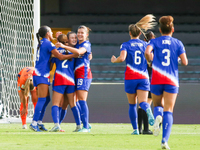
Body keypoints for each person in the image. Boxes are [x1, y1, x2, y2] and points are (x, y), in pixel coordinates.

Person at [145, 16, 188, 149]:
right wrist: (178, 61)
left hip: (156, 79)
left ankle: (158, 116)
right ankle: (164, 140)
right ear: (172, 29)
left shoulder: (154, 41)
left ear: (160, 29)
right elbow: (185, 62)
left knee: (158, 104)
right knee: (168, 110)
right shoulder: (178, 43)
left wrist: (150, 61)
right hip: (171, 80)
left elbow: (147, 52)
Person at [111, 14, 156, 135]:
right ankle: (148, 111)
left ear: (130, 33)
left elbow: (122, 58)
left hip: (130, 77)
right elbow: (151, 57)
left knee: (132, 104)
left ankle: (136, 130)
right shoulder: (145, 45)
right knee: (143, 102)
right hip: (143, 77)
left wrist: (114, 60)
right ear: (140, 34)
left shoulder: (125, 44)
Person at [30, 26, 80, 132]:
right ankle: (34, 123)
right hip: (41, 74)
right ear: (48, 33)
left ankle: (39, 122)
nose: (52, 33)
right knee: (42, 99)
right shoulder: (48, 44)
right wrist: (73, 55)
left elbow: (53, 55)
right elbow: (60, 57)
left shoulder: (43, 42)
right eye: (51, 32)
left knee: (47, 99)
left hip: (40, 73)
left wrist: (58, 40)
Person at [55, 25, 92, 132]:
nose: (79, 34)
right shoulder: (77, 44)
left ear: (86, 35)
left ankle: (85, 126)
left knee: (81, 100)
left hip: (83, 74)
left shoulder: (86, 44)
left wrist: (64, 46)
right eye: (78, 32)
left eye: (82, 33)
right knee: (73, 102)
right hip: (74, 75)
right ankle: (84, 123)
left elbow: (80, 52)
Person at [49, 32, 81, 132]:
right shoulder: (73, 52)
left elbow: (50, 67)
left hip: (59, 79)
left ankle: (57, 125)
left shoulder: (55, 51)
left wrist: (51, 58)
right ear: (67, 41)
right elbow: (79, 55)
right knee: (73, 104)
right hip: (71, 80)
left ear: (58, 41)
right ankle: (79, 125)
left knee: (55, 104)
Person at [138, 31, 155, 134]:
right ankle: (145, 129)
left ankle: (139, 128)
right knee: (148, 103)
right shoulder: (151, 50)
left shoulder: (141, 48)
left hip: (140, 77)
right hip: (151, 78)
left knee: (141, 104)